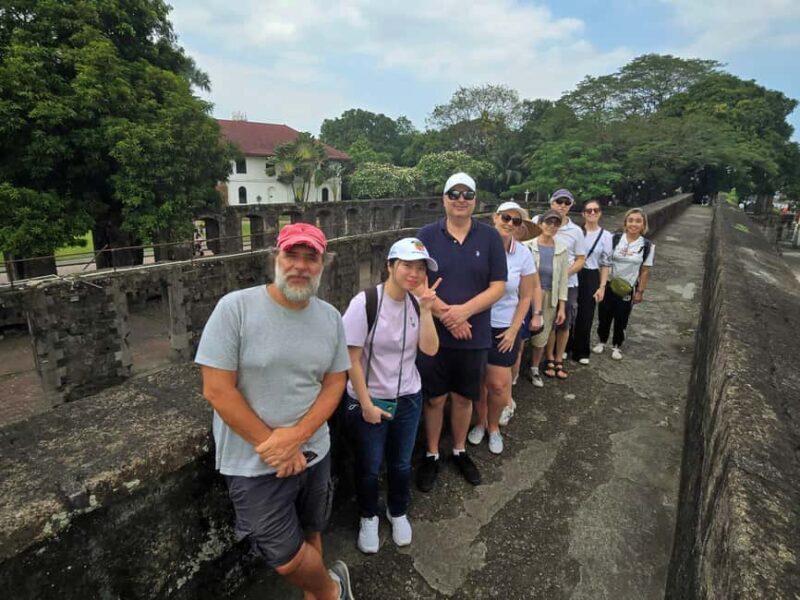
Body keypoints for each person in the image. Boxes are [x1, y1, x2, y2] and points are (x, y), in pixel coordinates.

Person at [196, 223, 355, 600]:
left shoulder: (330, 317)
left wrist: (296, 438)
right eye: (291, 255)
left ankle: (314, 596)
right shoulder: (235, 308)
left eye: (310, 257)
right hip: (254, 460)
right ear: (275, 258)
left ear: (323, 264)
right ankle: (333, 591)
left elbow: (335, 383)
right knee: (283, 555)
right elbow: (216, 389)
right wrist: (273, 444)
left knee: (312, 528)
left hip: (314, 449)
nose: (300, 266)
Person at [341, 238, 440, 554]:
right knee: (369, 465)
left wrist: (426, 311)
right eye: (407, 265)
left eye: (420, 268)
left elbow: (429, 349)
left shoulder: (416, 302)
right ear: (390, 266)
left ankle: (397, 510)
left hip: (409, 396)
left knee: (400, 463)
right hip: (371, 399)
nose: (414, 273)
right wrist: (366, 403)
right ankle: (368, 515)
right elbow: (350, 358)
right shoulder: (366, 302)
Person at [415, 172, 507, 490]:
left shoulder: (490, 237)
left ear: (475, 200)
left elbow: (498, 285)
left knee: (464, 397)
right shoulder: (427, 235)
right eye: (454, 193)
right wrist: (448, 315)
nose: (460, 199)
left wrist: (465, 312)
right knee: (435, 398)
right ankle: (431, 454)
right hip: (433, 334)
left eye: (467, 194)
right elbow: (417, 281)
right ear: (444, 199)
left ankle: (458, 449)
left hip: (475, 333)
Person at [468, 202, 540, 454]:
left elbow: (525, 297)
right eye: (505, 218)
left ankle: (493, 425)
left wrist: (513, 330)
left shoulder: (522, 255)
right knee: (478, 381)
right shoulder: (477, 247)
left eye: (516, 221)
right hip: (476, 323)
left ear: (520, 227)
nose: (509, 223)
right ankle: (479, 422)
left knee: (498, 384)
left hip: (503, 326)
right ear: (495, 218)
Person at [531, 189, 585, 380]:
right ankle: (547, 357)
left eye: (566, 202)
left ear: (571, 205)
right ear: (551, 203)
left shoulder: (576, 231)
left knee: (562, 322)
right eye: (558, 201)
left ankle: (557, 357)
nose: (562, 205)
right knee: (541, 322)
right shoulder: (538, 221)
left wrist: (562, 274)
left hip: (567, 283)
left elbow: (580, 259)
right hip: (537, 283)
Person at [595, 208, 655, 361]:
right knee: (604, 314)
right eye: (631, 220)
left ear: (643, 225)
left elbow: (645, 270)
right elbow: (605, 260)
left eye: (638, 221)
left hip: (627, 287)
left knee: (622, 317)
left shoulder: (647, 246)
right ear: (625, 223)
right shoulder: (615, 239)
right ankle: (601, 341)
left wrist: (640, 291)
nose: (633, 224)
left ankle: (616, 345)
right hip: (609, 283)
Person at [570, 200, 612, 365]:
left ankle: (581, 350)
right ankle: (566, 347)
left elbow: (605, 263)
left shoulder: (606, 236)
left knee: (586, 314)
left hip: (591, 274)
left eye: (595, 210)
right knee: (569, 310)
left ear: (600, 213)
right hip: (574, 272)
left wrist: (602, 286)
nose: (592, 213)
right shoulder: (577, 231)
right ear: (583, 214)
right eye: (589, 211)